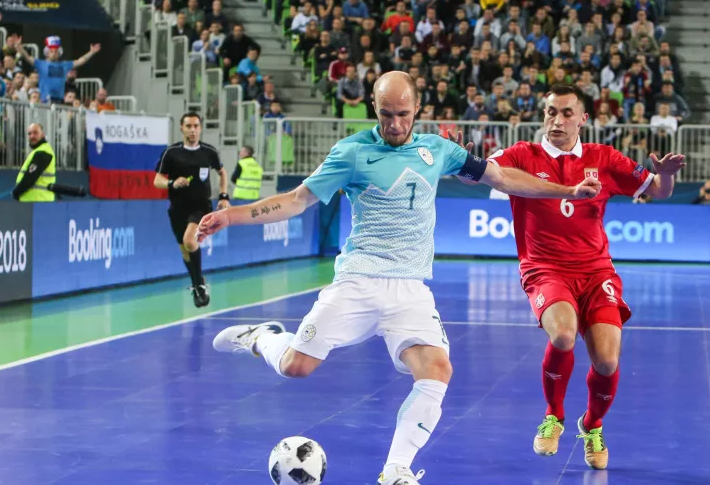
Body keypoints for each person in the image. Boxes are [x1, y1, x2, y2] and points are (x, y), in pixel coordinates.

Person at [199, 71, 602, 485]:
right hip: (358, 280)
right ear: (374, 107)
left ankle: (396, 469)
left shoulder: (438, 150)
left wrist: (567, 191)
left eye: (403, 114)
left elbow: (501, 178)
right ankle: (261, 337)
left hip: (410, 289)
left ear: (417, 109)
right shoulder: (351, 152)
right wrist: (231, 216)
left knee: (437, 368)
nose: (394, 124)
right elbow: (296, 200)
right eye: (386, 114)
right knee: (295, 366)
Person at [485, 85, 684, 469]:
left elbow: (659, 191)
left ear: (583, 119)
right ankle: (554, 416)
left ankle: (591, 425)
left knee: (607, 361)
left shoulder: (603, 158)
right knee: (562, 334)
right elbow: (484, 174)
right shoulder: (522, 155)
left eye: (566, 113)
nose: (556, 120)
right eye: (550, 112)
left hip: (596, 271)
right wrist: (462, 159)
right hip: (545, 267)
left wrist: (667, 176)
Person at [153, 112, 229, 307]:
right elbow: (157, 180)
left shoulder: (209, 152)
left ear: (200, 128)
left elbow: (222, 173)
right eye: (188, 126)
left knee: (189, 240)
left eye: (196, 126)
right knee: (185, 250)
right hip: (177, 208)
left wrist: (223, 196)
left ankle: (199, 286)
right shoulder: (171, 153)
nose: (193, 130)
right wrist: (172, 182)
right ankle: (198, 282)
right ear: (182, 128)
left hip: (201, 207)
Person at [14, 36, 100, 104]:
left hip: (60, 99)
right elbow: (27, 57)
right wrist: (19, 47)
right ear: (47, 52)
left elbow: (80, 61)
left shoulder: (64, 65)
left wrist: (91, 52)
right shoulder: (41, 63)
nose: (54, 53)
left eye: (56, 51)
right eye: (52, 51)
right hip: (45, 99)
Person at [12, 123, 56, 202]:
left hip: (38, 202)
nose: (32, 136)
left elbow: (30, 177)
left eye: (35, 133)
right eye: (29, 134)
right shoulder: (39, 150)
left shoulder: (43, 152)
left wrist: (16, 192)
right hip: (35, 201)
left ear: (42, 135)